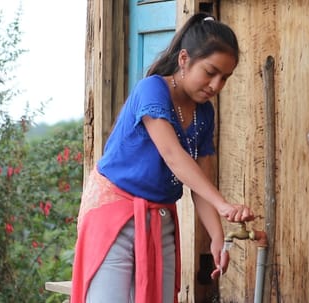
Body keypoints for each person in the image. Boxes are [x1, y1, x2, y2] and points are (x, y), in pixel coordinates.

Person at [71, 12, 254, 303]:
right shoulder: (152, 90)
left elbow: (200, 182)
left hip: (159, 217)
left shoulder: (205, 113)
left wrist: (217, 235)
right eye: (210, 72)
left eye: (225, 78)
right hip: (114, 215)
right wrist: (224, 204)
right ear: (184, 59)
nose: (217, 85)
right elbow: (173, 156)